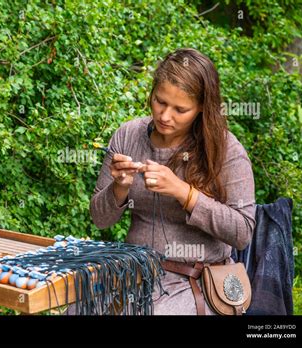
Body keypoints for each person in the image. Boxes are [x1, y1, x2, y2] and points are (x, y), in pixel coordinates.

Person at [90, 48, 256, 315]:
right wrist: (119, 187)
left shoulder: (225, 150)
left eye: (181, 109)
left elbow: (242, 232)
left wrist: (184, 193)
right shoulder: (128, 135)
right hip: (135, 273)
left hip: (195, 280)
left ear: (202, 108)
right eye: (160, 101)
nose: (165, 116)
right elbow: (100, 219)